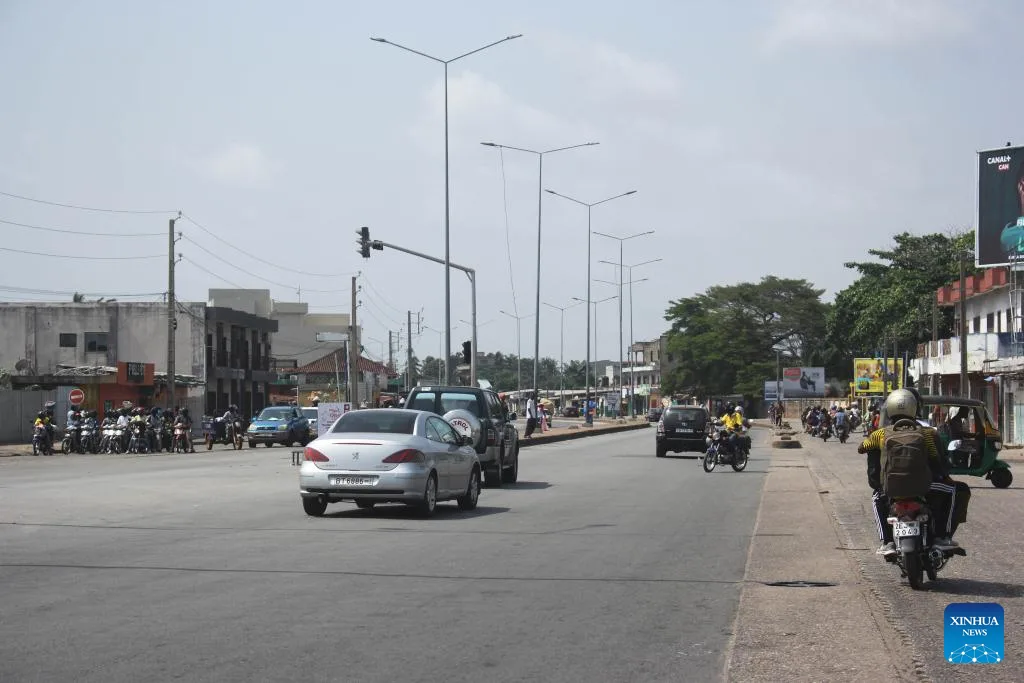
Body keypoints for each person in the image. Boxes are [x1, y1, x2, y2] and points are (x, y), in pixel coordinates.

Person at [858, 389, 962, 557]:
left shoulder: (880, 434)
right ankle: (942, 536)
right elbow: (937, 462)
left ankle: (887, 542)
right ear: (915, 408)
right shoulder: (928, 433)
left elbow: (861, 448)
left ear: (889, 409)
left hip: (890, 488)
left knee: (876, 498)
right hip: (925, 486)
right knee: (954, 490)